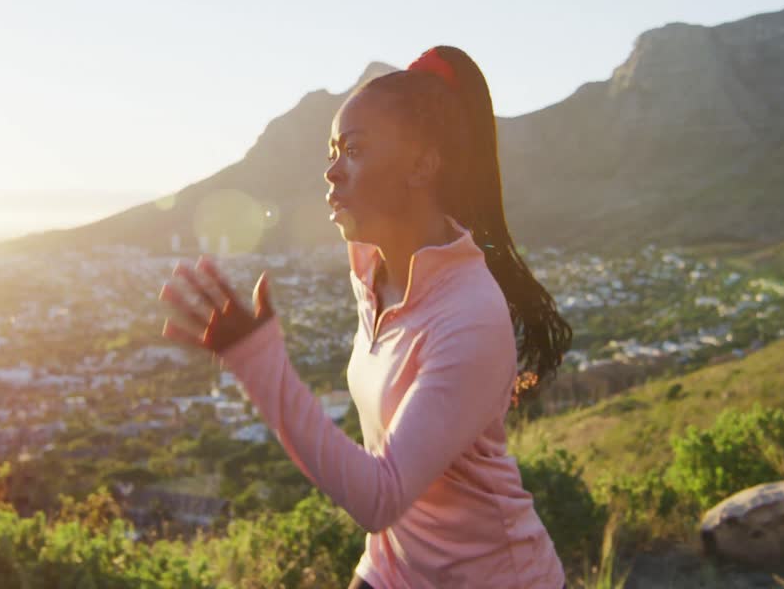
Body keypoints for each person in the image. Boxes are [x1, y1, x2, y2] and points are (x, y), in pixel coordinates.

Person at [159, 45, 572, 588]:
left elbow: (382, 496)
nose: (331, 171)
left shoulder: (470, 312)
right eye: (332, 150)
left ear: (423, 164)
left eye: (353, 150)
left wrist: (258, 362)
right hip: (394, 568)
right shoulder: (374, 274)